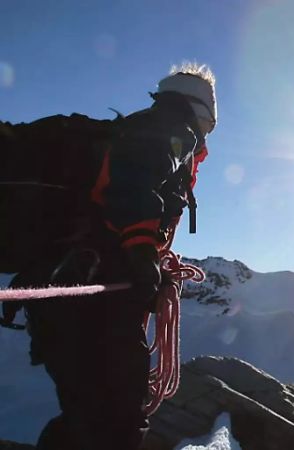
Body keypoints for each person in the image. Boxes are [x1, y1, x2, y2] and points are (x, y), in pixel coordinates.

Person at [7, 63, 216, 450]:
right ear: (204, 112)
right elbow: (133, 174)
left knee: (87, 412)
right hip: (96, 289)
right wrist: (140, 249)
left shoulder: (138, 126)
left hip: (63, 284)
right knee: (119, 416)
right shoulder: (174, 128)